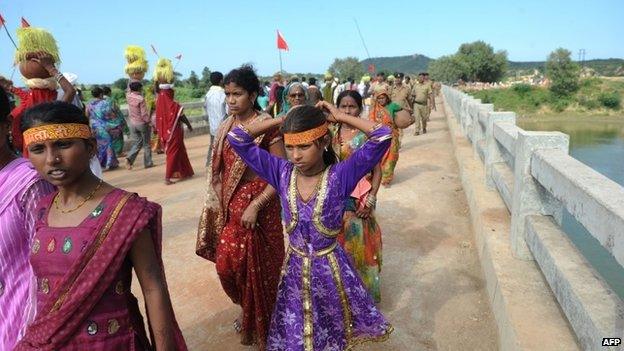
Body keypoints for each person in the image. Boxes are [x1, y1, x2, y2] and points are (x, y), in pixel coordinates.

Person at [16, 101, 187, 350]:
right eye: (38, 148)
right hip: (50, 342)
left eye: (63, 144)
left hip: (111, 342)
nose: (52, 159)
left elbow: (153, 287)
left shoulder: (126, 211)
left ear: (91, 147)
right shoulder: (42, 208)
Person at [226, 103, 393, 350]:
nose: (295, 156)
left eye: (303, 146)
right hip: (294, 274)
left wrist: (340, 116)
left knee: (330, 336)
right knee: (297, 337)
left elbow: (383, 135)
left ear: (324, 141)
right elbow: (237, 137)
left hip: (331, 275)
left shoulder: (341, 175)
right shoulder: (281, 172)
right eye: (290, 146)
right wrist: (279, 120)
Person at [196, 65, 285, 350]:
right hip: (232, 206)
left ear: (253, 94)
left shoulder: (268, 126)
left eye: (238, 94)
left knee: (259, 269)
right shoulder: (226, 126)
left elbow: (281, 174)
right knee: (227, 268)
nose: (231, 100)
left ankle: (259, 318)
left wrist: (257, 205)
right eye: (228, 94)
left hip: (260, 206)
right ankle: (245, 306)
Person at [0, 88, 55, 350]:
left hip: (23, 324)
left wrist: (28, 334)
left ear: (7, 125)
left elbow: (48, 269)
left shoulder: (30, 185)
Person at [331, 90, 384, 302]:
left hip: (360, 196)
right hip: (336, 195)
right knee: (337, 245)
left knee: (359, 245)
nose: (347, 110)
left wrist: (370, 200)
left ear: (360, 109)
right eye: (342, 106)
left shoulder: (365, 135)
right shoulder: (331, 133)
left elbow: (377, 170)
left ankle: (362, 298)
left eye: (351, 106)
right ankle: (341, 296)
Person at [369, 87, 412, 186]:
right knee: (379, 157)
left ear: (387, 98)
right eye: (379, 98)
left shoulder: (392, 106)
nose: (381, 100)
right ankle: (377, 175)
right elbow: (370, 123)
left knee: (392, 156)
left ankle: (386, 179)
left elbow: (403, 110)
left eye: (383, 98)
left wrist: (408, 115)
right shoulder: (374, 110)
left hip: (392, 135)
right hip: (378, 137)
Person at [155, 80, 195, 185]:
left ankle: (184, 172)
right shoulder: (173, 105)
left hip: (165, 132)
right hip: (174, 133)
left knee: (180, 151)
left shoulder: (159, 102)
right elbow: (182, 116)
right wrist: (189, 125)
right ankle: (167, 177)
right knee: (173, 153)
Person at [86, 86, 121, 170]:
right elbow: (111, 115)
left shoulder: (89, 104)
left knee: (98, 146)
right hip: (104, 127)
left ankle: (102, 163)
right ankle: (110, 163)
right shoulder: (105, 103)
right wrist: (116, 124)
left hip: (94, 127)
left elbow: (87, 116)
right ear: (101, 94)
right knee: (108, 144)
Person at [124, 81, 153, 170]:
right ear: (139, 89)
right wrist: (149, 122)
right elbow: (144, 114)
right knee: (147, 144)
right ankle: (148, 163)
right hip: (142, 123)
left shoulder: (128, 96)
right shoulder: (141, 99)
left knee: (137, 143)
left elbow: (128, 90)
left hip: (132, 123)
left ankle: (129, 158)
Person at [204, 71, 228, 166]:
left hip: (212, 126)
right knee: (224, 147)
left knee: (212, 146)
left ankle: (209, 165)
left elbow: (205, 108)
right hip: (224, 125)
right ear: (221, 80)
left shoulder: (208, 94)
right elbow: (228, 111)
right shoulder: (223, 94)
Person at [101, 86, 127, 156]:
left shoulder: (99, 101)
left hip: (104, 124)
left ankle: (111, 153)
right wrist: (123, 121)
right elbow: (117, 111)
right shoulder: (111, 101)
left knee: (109, 139)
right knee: (118, 138)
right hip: (115, 123)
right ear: (109, 92)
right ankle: (118, 152)